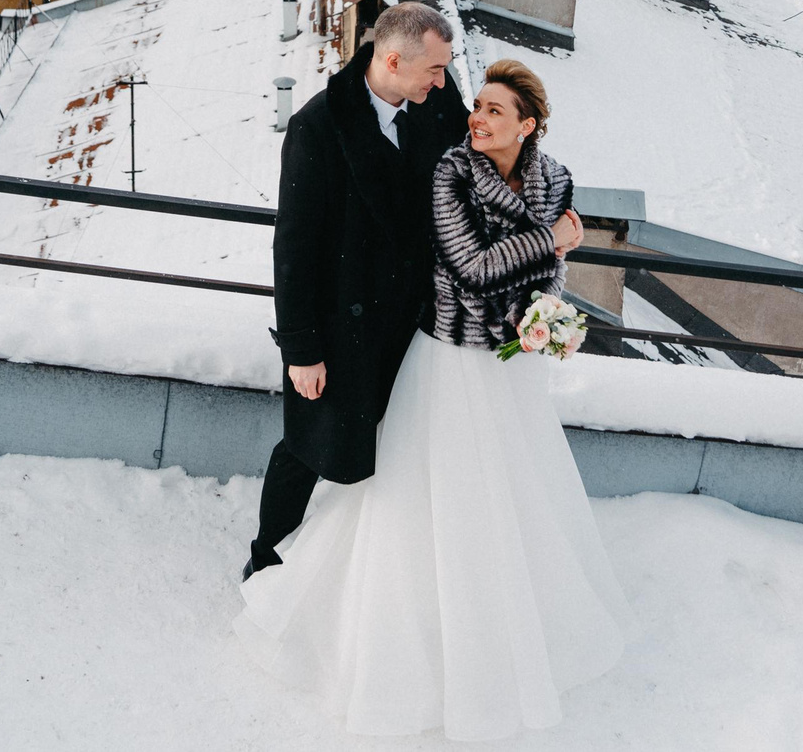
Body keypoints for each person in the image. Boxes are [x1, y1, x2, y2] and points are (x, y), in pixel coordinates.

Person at [235, 58, 627, 741]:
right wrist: (552, 240)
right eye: (478, 105)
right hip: (449, 353)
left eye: (494, 110)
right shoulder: (452, 173)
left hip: (511, 366)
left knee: (506, 495)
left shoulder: (556, 179)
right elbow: (471, 269)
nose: (476, 117)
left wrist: (544, 315)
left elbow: (551, 274)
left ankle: (498, 622)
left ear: (528, 125)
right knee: (425, 494)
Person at [245, 1, 469, 582]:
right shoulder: (318, 126)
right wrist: (301, 350)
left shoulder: (436, 98)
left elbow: (481, 165)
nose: (442, 81)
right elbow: (294, 247)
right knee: (307, 448)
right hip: (344, 329)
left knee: (404, 445)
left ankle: (384, 570)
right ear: (392, 61)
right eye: (434, 69)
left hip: (417, 322)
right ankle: (265, 557)